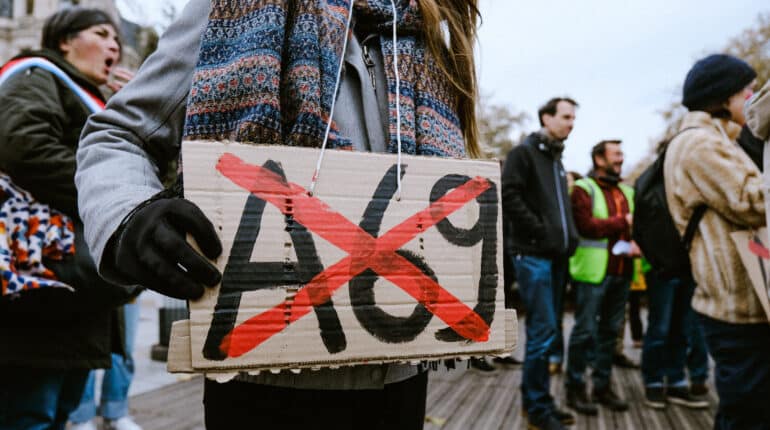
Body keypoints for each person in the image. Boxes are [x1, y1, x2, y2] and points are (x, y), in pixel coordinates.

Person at [74, 1, 482, 429]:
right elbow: (117, 135)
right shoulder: (233, 8)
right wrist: (129, 214)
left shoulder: (428, 35)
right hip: (267, 381)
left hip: (403, 371)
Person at [0, 7, 137, 430]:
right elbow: (22, 145)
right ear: (64, 41)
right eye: (101, 33)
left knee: (54, 414)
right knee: (31, 414)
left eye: (117, 37)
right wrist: (109, 195)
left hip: (70, 291)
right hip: (43, 287)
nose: (114, 44)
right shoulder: (35, 74)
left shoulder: (89, 95)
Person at [665, 54, 769, 429]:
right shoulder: (701, 145)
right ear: (723, 96)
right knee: (747, 414)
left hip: (739, 302)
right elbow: (755, 203)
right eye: (747, 89)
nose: (753, 95)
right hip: (736, 307)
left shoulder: (712, 141)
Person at [501, 97, 579, 430]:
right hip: (532, 254)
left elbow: (560, 208)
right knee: (542, 331)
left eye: (573, 118)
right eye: (565, 117)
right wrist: (541, 232)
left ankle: (541, 401)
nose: (571, 123)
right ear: (545, 118)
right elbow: (509, 195)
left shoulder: (556, 159)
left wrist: (568, 237)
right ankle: (536, 408)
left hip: (557, 256)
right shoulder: (524, 153)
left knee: (547, 332)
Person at [565, 140, 637, 415]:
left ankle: (602, 386)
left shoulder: (626, 191)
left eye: (622, 153)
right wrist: (624, 222)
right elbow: (587, 227)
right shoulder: (583, 189)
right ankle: (575, 388)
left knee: (609, 333)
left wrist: (636, 240)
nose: (621, 158)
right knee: (584, 332)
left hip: (623, 272)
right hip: (593, 274)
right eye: (616, 154)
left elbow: (637, 226)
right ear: (599, 159)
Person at [69, 300, 142, 430]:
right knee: (86, 349)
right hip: (90, 285)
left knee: (124, 348)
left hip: (129, 284)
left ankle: (115, 413)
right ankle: (81, 417)